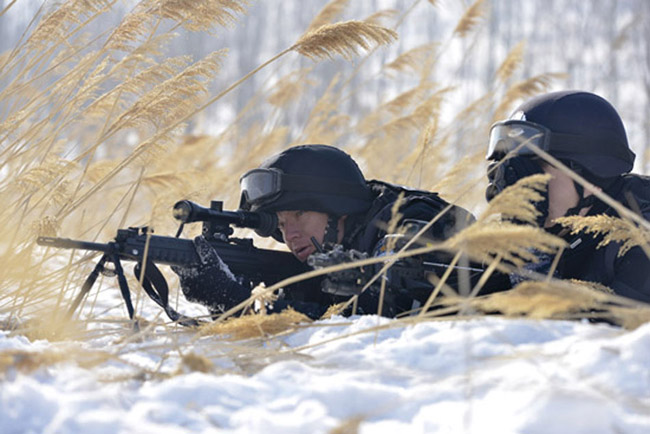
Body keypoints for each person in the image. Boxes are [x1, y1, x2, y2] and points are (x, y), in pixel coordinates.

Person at [173, 144, 481, 319]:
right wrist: (226, 301)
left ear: (337, 207)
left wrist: (239, 302)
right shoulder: (338, 247)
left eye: (299, 214)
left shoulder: (407, 224)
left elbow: (377, 322)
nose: (289, 234)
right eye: (280, 224)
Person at [485, 90, 650, 303]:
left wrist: (527, 249)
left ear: (591, 178)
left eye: (532, 170)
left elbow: (582, 332)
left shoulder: (641, 236)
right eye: (510, 171)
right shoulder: (563, 228)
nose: (517, 184)